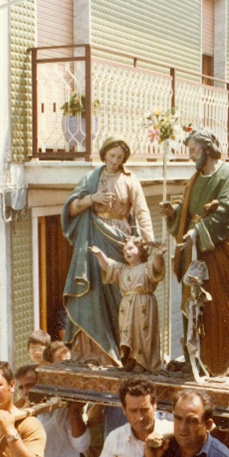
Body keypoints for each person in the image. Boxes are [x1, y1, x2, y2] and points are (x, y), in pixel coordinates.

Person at [160, 128, 229, 375]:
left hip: (216, 252)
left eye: (193, 150)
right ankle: (195, 359)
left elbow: (227, 212)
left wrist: (198, 231)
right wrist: (173, 214)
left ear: (207, 149)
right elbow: (187, 212)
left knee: (217, 307)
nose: (190, 156)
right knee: (192, 304)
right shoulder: (195, 179)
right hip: (193, 251)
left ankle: (225, 360)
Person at [62, 137, 154, 367]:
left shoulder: (130, 180)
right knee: (93, 290)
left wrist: (148, 242)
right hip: (94, 234)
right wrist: (92, 199)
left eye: (119, 157)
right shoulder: (92, 177)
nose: (115, 161)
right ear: (104, 155)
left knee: (121, 292)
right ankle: (94, 352)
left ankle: (122, 352)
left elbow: (142, 212)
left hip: (120, 240)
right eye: (111, 156)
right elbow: (71, 208)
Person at [89, 237, 165, 372]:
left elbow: (157, 267)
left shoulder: (146, 267)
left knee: (143, 333)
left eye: (130, 248)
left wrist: (158, 255)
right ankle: (130, 359)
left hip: (144, 304)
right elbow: (107, 265)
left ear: (141, 251)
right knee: (127, 332)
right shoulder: (122, 269)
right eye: (125, 251)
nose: (127, 252)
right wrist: (99, 254)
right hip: (127, 306)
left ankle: (143, 363)